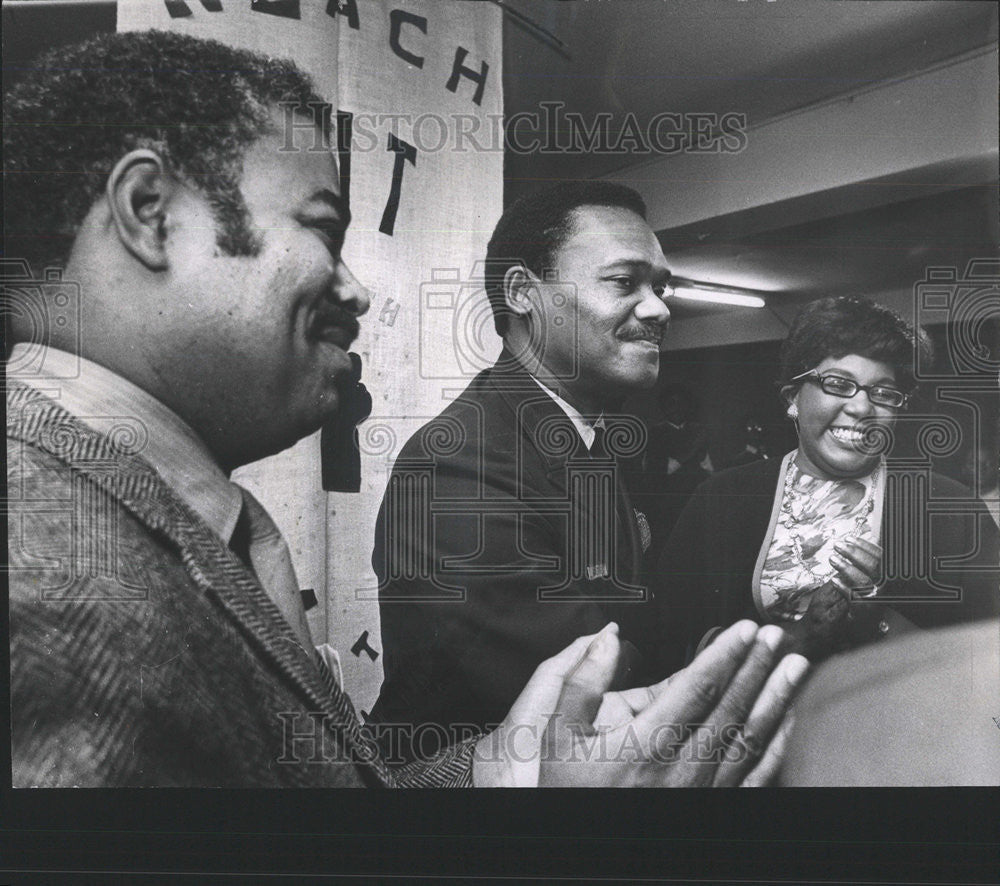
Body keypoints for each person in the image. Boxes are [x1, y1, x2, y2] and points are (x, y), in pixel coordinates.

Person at [5, 31, 805, 788]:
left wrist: (499, 772)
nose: (354, 287)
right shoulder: (43, 567)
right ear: (149, 212)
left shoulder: (137, 509)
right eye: (322, 228)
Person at [371, 181, 683, 758]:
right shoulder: (457, 464)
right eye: (623, 282)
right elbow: (579, 690)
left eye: (661, 286)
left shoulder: (586, 438)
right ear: (522, 292)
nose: (660, 307)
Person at [653, 296, 1000, 673]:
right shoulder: (722, 498)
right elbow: (665, 639)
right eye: (838, 384)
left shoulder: (949, 506)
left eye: (883, 392)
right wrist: (793, 638)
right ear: (792, 399)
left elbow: (985, 659)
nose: (862, 408)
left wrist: (878, 618)